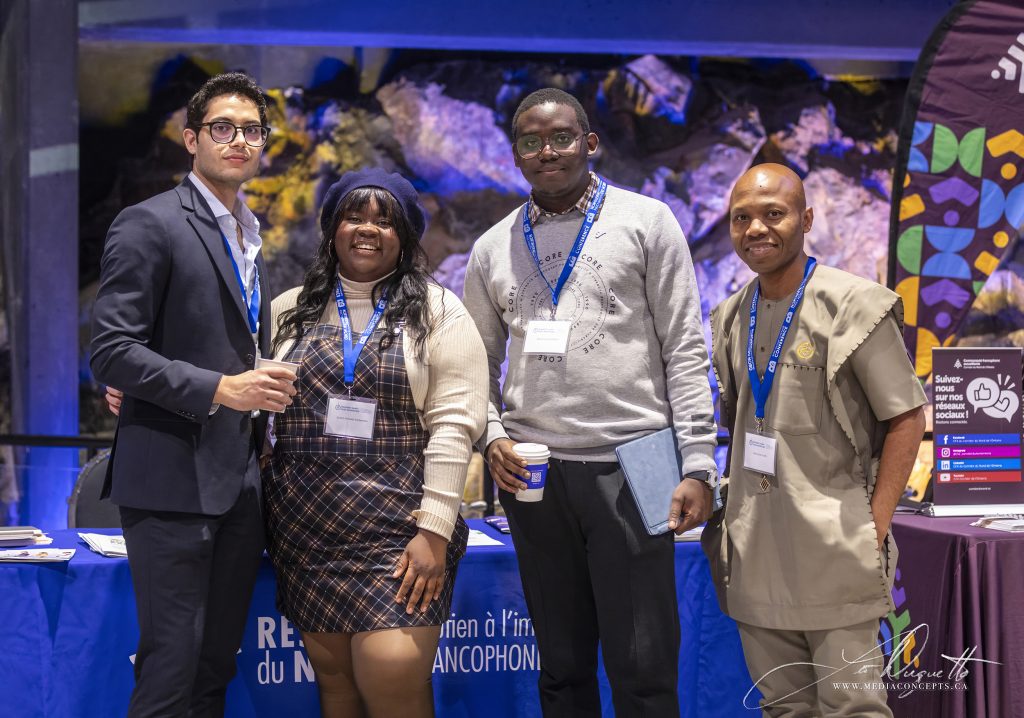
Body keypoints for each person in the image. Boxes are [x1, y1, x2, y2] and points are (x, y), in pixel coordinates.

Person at [462, 87, 719, 717]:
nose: (547, 152)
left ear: (590, 143)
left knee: (645, 668)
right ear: (516, 154)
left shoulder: (647, 221)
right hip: (534, 473)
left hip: (640, 459)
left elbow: (686, 348)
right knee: (562, 665)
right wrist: (492, 436)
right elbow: (474, 366)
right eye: (531, 142)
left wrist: (698, 464)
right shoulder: (492, 247)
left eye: (561, 137)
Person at [90, 72, 297, 717]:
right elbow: (111, 351)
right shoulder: (148, 224)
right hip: (171, 481)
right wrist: (221, 389)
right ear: (191, 139)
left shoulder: (249, 234)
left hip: (240, 481)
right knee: (171, 670)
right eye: (222, 128)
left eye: (252, 130)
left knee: (214, 670)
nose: (239, 141)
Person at [703, 163, 927, 716]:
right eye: (741, 218)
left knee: (853, 709)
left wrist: (873, 525)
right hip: (755, 553)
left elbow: (906, 417)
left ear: (806, 220)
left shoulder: (854, 306)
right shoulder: (730, 316)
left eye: (773, 214)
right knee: (783, 708)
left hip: (837, 551)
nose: (756, 229)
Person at [264, 167, 488, 718]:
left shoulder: (439, 311)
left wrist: (434, 531)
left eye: (385, 221)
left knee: (392, 686)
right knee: (337, 692)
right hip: (306, 530)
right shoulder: (287, 308)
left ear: (405, 237)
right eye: (353, 216)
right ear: (332, 229)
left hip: (399, 532)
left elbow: (454, 426)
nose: (367, 229)